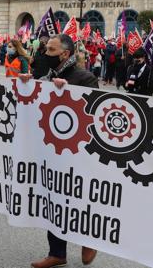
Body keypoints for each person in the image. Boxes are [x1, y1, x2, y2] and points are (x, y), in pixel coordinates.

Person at [22, 34, 99, 268]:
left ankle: (89, 240)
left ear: (65, 54)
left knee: (78, 199)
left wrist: (68, 93)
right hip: (51, 148)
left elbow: (94, 110)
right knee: (54, 200)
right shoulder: (46, 77)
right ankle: (57, 252)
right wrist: (27, 84)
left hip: (77, 151)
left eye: (51, 51)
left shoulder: (85, 77)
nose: (46, 54)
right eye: (46, 50)